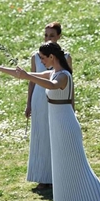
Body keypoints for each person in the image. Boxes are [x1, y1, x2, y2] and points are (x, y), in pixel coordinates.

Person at [0, 42, 100, 201]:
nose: (41, 61)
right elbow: (22, 76)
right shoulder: (52, 72)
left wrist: (29, 75)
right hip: (57, 128)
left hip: (67, 128)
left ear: (52, 57)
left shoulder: (63, 76)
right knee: (60, 174)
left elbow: (52, 85)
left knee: (80, 170)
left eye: (43, 58)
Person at [25, 22, 72, 190]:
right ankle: (42, 177)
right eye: (46, 35)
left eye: (52, 35)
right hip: (39, 98)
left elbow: (68, 83)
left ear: (59, 36)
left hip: (55, 99)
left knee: (54, 137)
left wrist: (71, 106)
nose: (48, 38)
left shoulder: (64, 57)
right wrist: (28, 103)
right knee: (41, 136)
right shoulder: (36, 56)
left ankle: (56, 177)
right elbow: (31, 80)